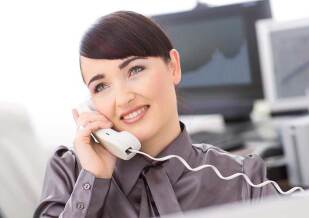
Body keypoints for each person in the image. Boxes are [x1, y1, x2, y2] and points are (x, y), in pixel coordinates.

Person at [34, 11, 278, 218]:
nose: (122, 98)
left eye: (135, 70)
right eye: (101, 86)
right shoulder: (70, 172)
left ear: (173, 66)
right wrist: (93, 181)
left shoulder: (242, 179)